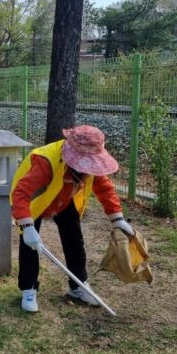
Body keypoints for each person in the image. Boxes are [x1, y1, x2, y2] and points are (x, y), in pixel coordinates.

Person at [10, 125, 135, 313]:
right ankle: (29, 289)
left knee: (74, 240)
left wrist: (117, 218)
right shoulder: (45, 161)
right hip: (36, 200)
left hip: (65, 199)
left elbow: (104, 188)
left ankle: (78, 286)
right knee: (31, 246)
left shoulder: (92, 167)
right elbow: (21, 193)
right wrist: (27, 225)